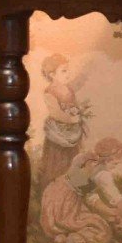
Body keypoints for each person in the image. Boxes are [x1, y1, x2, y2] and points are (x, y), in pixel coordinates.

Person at [40, 54, 85, 189]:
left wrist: (77, 112)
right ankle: (54, 193)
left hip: (72, 134)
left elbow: (74, 105)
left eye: (68, 70)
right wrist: (71, 118)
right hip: (57, 135)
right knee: (58, 164)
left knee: (73, 162)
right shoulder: (50, 91)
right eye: (64, 71)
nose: (68, 73)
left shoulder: (69, 89)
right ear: (52, 74)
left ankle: (71, 192)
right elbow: (56, 113)